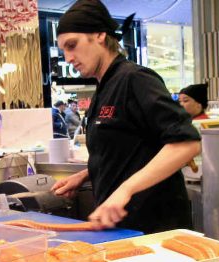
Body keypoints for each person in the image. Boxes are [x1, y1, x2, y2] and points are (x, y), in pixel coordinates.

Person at [51, 0, 201, 233]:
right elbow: (127, 152)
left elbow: (187, 143)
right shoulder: (103, 88)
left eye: (72, 45)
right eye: (63, 50)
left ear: (100, 35)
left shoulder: (135, 79)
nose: (68, 57)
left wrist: (125, 190)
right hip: (121, 229)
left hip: (154, 229)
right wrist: (84, 175)